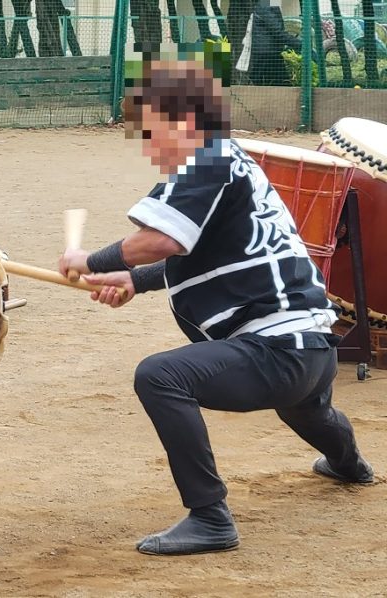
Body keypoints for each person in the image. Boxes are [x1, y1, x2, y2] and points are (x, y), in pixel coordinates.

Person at [59, 57, 374, 556]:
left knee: (161, 376)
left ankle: (209, 517)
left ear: (182, 120)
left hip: (279, 351)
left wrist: (89, 258)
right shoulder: (234, 163)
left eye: (149, 131)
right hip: (315, 350)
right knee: (308, 409)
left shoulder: (206, 157)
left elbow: (162, 240)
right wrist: (132, 281)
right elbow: (199, 252)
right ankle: (349, 463)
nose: (148, 146)